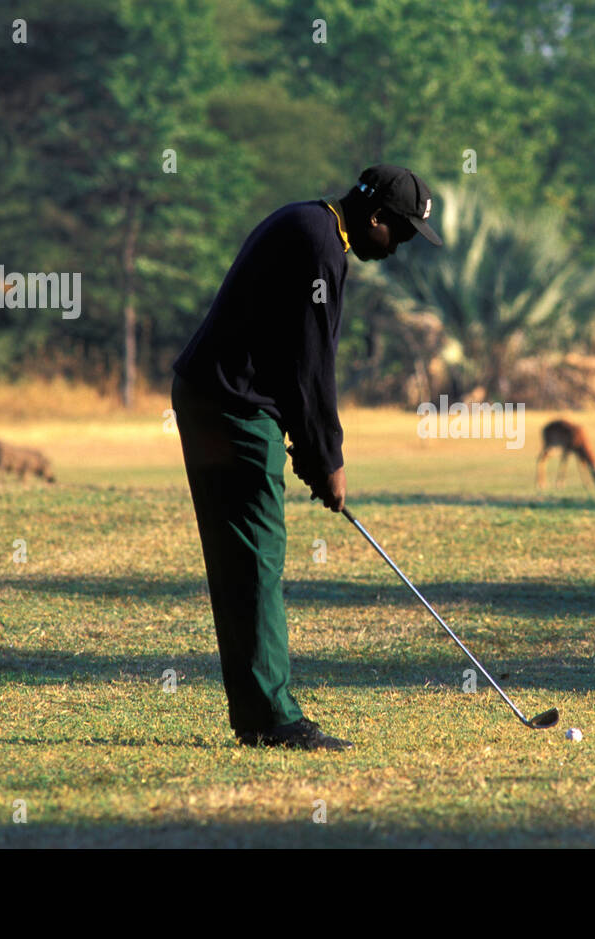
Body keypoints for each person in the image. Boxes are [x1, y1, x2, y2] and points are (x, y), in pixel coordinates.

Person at [171, 165, 442, 751]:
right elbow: (311, 365)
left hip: (221, 396)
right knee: (255, 559)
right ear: (375, 219)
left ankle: (256, 713)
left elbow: (287, 353)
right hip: (231, 407)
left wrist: (307, 450)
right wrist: (328, 459)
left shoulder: (308, 223)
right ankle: (271, 719)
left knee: (245, 559)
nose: (399, 248)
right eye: (399, 234)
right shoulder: (322, 248)